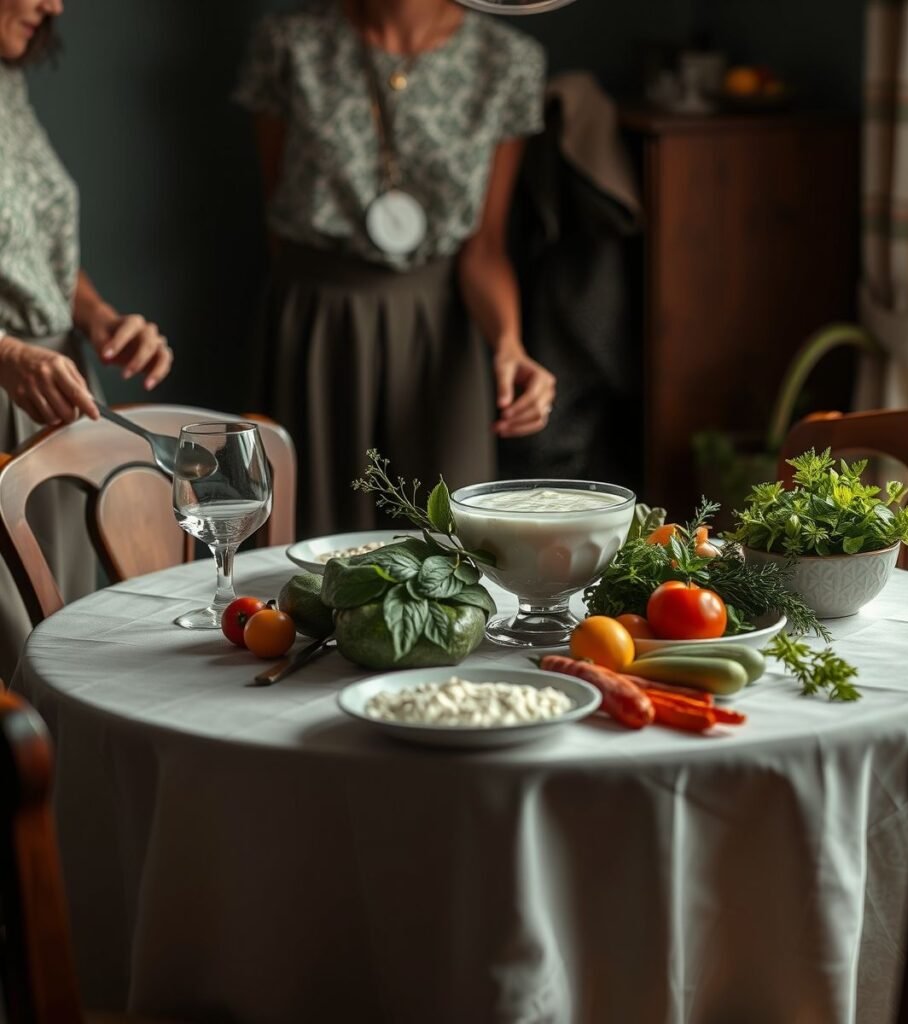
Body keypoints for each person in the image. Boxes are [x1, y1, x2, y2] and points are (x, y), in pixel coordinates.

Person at [235, 0, 557, 535]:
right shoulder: (289, 44)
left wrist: (509, 344)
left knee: (451, 552)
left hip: (440, 337)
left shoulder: (507, 60)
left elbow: (484, 245)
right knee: (310, 558)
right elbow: (278, 216)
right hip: (316, 331)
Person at [0, 0, 174, 679]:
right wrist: (7, 353)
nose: (55, 4)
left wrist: (98, 319)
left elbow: (34, 249)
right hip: (10, 389)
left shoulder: (7, 79)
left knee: (71, 649)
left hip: (55, 394)